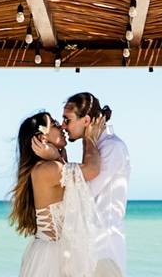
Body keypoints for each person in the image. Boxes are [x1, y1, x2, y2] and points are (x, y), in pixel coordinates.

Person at [10, 111, 106, 277]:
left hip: (53, 253)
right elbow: (92, 170)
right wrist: (89, 137)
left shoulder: (48, 167)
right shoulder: (48, 169)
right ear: (42, 139)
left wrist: (57, 156)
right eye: (54, 124)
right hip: (53, 258)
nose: (61, 126)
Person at [61, 93, 131, 277]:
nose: (63, 126)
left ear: (86, 120)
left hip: (103, 251)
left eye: (67, 120)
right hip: (89, 250)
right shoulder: (97, 147)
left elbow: (86, 192)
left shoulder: (111, 147)